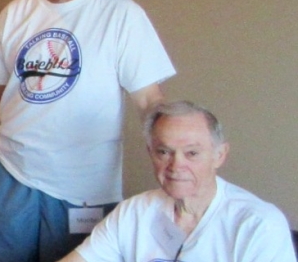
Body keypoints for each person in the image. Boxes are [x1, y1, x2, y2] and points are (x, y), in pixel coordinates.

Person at [0, 0, 176, 261]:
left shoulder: (121, 14)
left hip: (84, 187)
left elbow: (149, 100)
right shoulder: (16, 12)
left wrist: (173, 159)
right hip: (12, 175)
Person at [60, 101, 296, 262]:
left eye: (192, 153)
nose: (176, 165)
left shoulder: (258, 224)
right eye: (164, 152)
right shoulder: (133, 212)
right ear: (151, 152)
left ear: (219, 155)